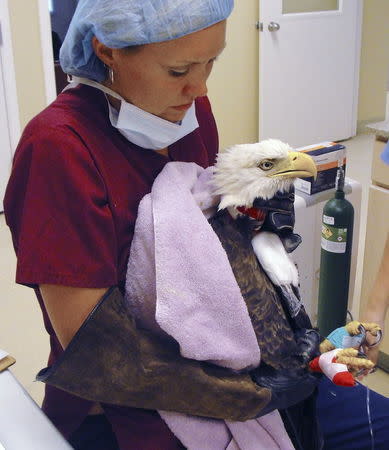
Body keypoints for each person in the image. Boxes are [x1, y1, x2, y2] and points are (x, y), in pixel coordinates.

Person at [4, 1, 321, 449]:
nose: (199, 86)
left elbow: (199, 232)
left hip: (224, 362)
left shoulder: (186, 114)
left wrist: (251, 225)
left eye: (212, 61)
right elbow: (97, 348)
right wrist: (250, 395)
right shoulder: (58, 149)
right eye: (179, 70)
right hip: (123, 407)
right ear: (107, 50)